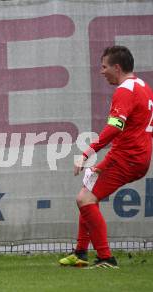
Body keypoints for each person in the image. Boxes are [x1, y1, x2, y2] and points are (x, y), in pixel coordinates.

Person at [60, 45, 153, 268]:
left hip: (126, 158)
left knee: (85, 199)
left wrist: (87, 152)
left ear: (117, 67)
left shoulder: (125, 91)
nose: (102, 71)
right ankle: (81, 253)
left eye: (104, 67)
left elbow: (114, 127)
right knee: (88, 185)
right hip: (134, 156)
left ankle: (105, 258)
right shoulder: (143, 87)